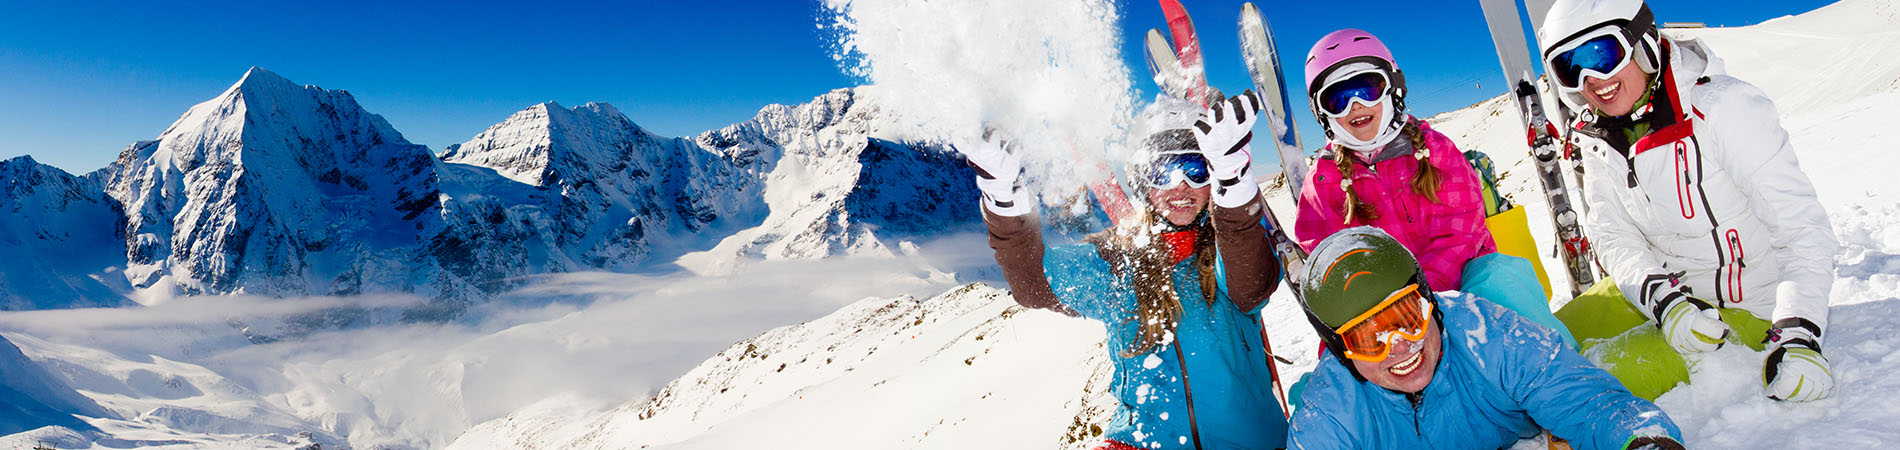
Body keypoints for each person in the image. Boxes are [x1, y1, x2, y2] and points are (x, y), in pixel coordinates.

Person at [1537, 0, 1838, 402]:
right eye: (1570, 67)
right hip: (1663, 296)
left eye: (1602, 54)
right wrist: (1664, 301)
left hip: (1744, 306)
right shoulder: (1597, 137)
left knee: (1569, 388)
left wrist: (1799, 333)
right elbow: (1613, 236)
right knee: (1531, 346)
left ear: (1641, 41)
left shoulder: (1722, 108)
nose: (1592, 78)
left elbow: (1802, 229)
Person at [967, 93, 1287, 449]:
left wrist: (1233, 183)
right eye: (1163, 172)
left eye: (1197, 170)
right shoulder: (1118, 260)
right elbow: (1036, 285)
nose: (1180, 186)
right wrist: (1005, 201)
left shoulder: (1230, 244)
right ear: (1142, 183)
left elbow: (1251, 286)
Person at [1293, 29, 1577, 347]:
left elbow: (1461, 235)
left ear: (1393, 90)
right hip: (1384, 311)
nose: (1355, 106)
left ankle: (1553, 363)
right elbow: (1329, 261)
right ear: (1322, 113)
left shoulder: (1433, 150)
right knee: (1342, 364)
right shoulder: (1324, 180)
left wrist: (1419, 297)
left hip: (1464, 284)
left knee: (1500, 279)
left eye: (1367, 89)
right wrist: (1376, 311)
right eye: (1338, 100)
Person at [1287, 227, 1685, 450]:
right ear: (1341, 353)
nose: (1400, 346)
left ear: (1430, 301)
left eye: (1406, 316)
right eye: (1369, 339)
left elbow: (1582, 399)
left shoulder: (1484, 332)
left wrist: (1641, 442)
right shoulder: (1330, 411)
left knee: (1501, 282)